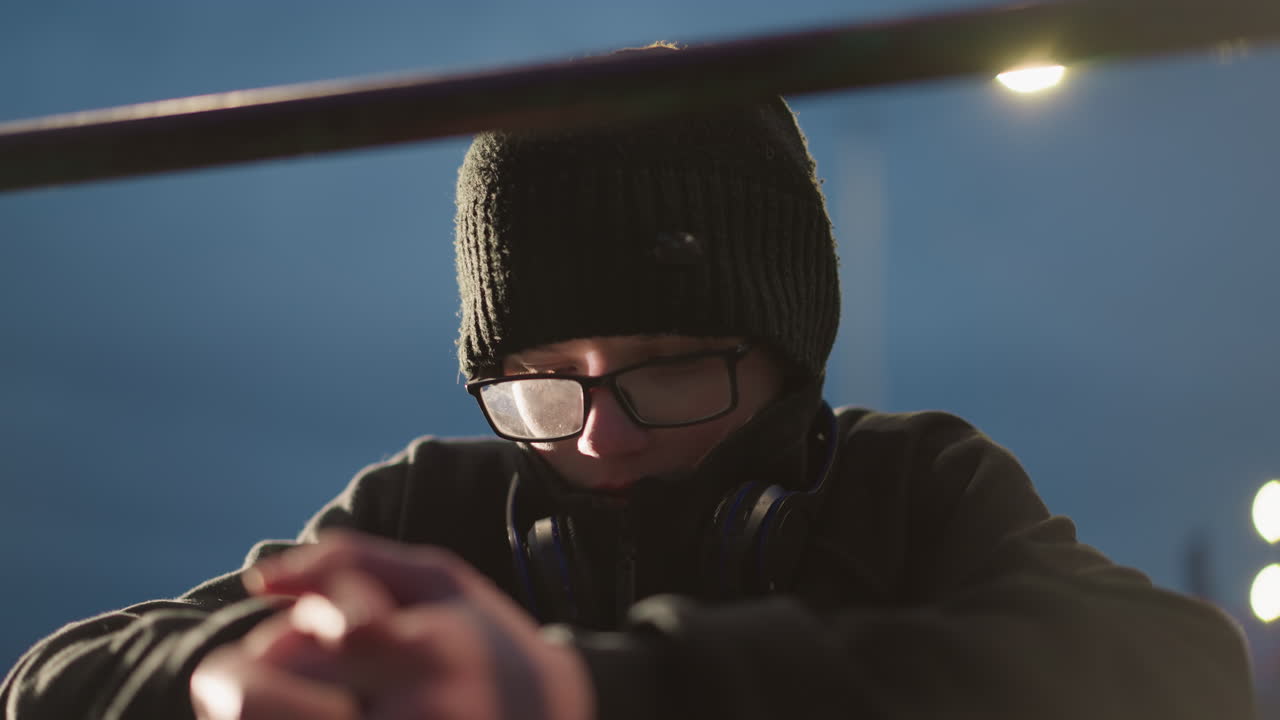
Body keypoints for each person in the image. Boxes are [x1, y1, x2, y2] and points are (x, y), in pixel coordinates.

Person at [0, 49, 1256, 720]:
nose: (596, 437)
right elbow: (50, 680)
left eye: (668, 373)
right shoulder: (425, 510)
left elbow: (1170, 671)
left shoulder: (909, 488)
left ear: (784, 359)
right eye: (541, 381)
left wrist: (582, 692)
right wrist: (230, 670)